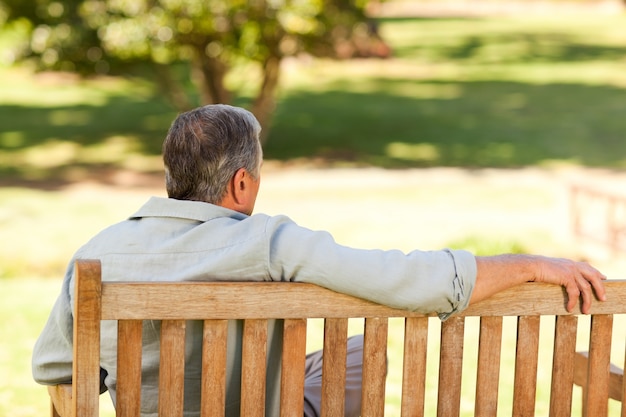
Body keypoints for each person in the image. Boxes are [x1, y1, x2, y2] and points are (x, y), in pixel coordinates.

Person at [32, 104, 607, 417]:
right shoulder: (267, 242)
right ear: (240, 183)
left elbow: (56, 370)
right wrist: (529, 262)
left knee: (318, 359)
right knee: (354, 351)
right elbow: (410, 283)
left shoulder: (97, 253)